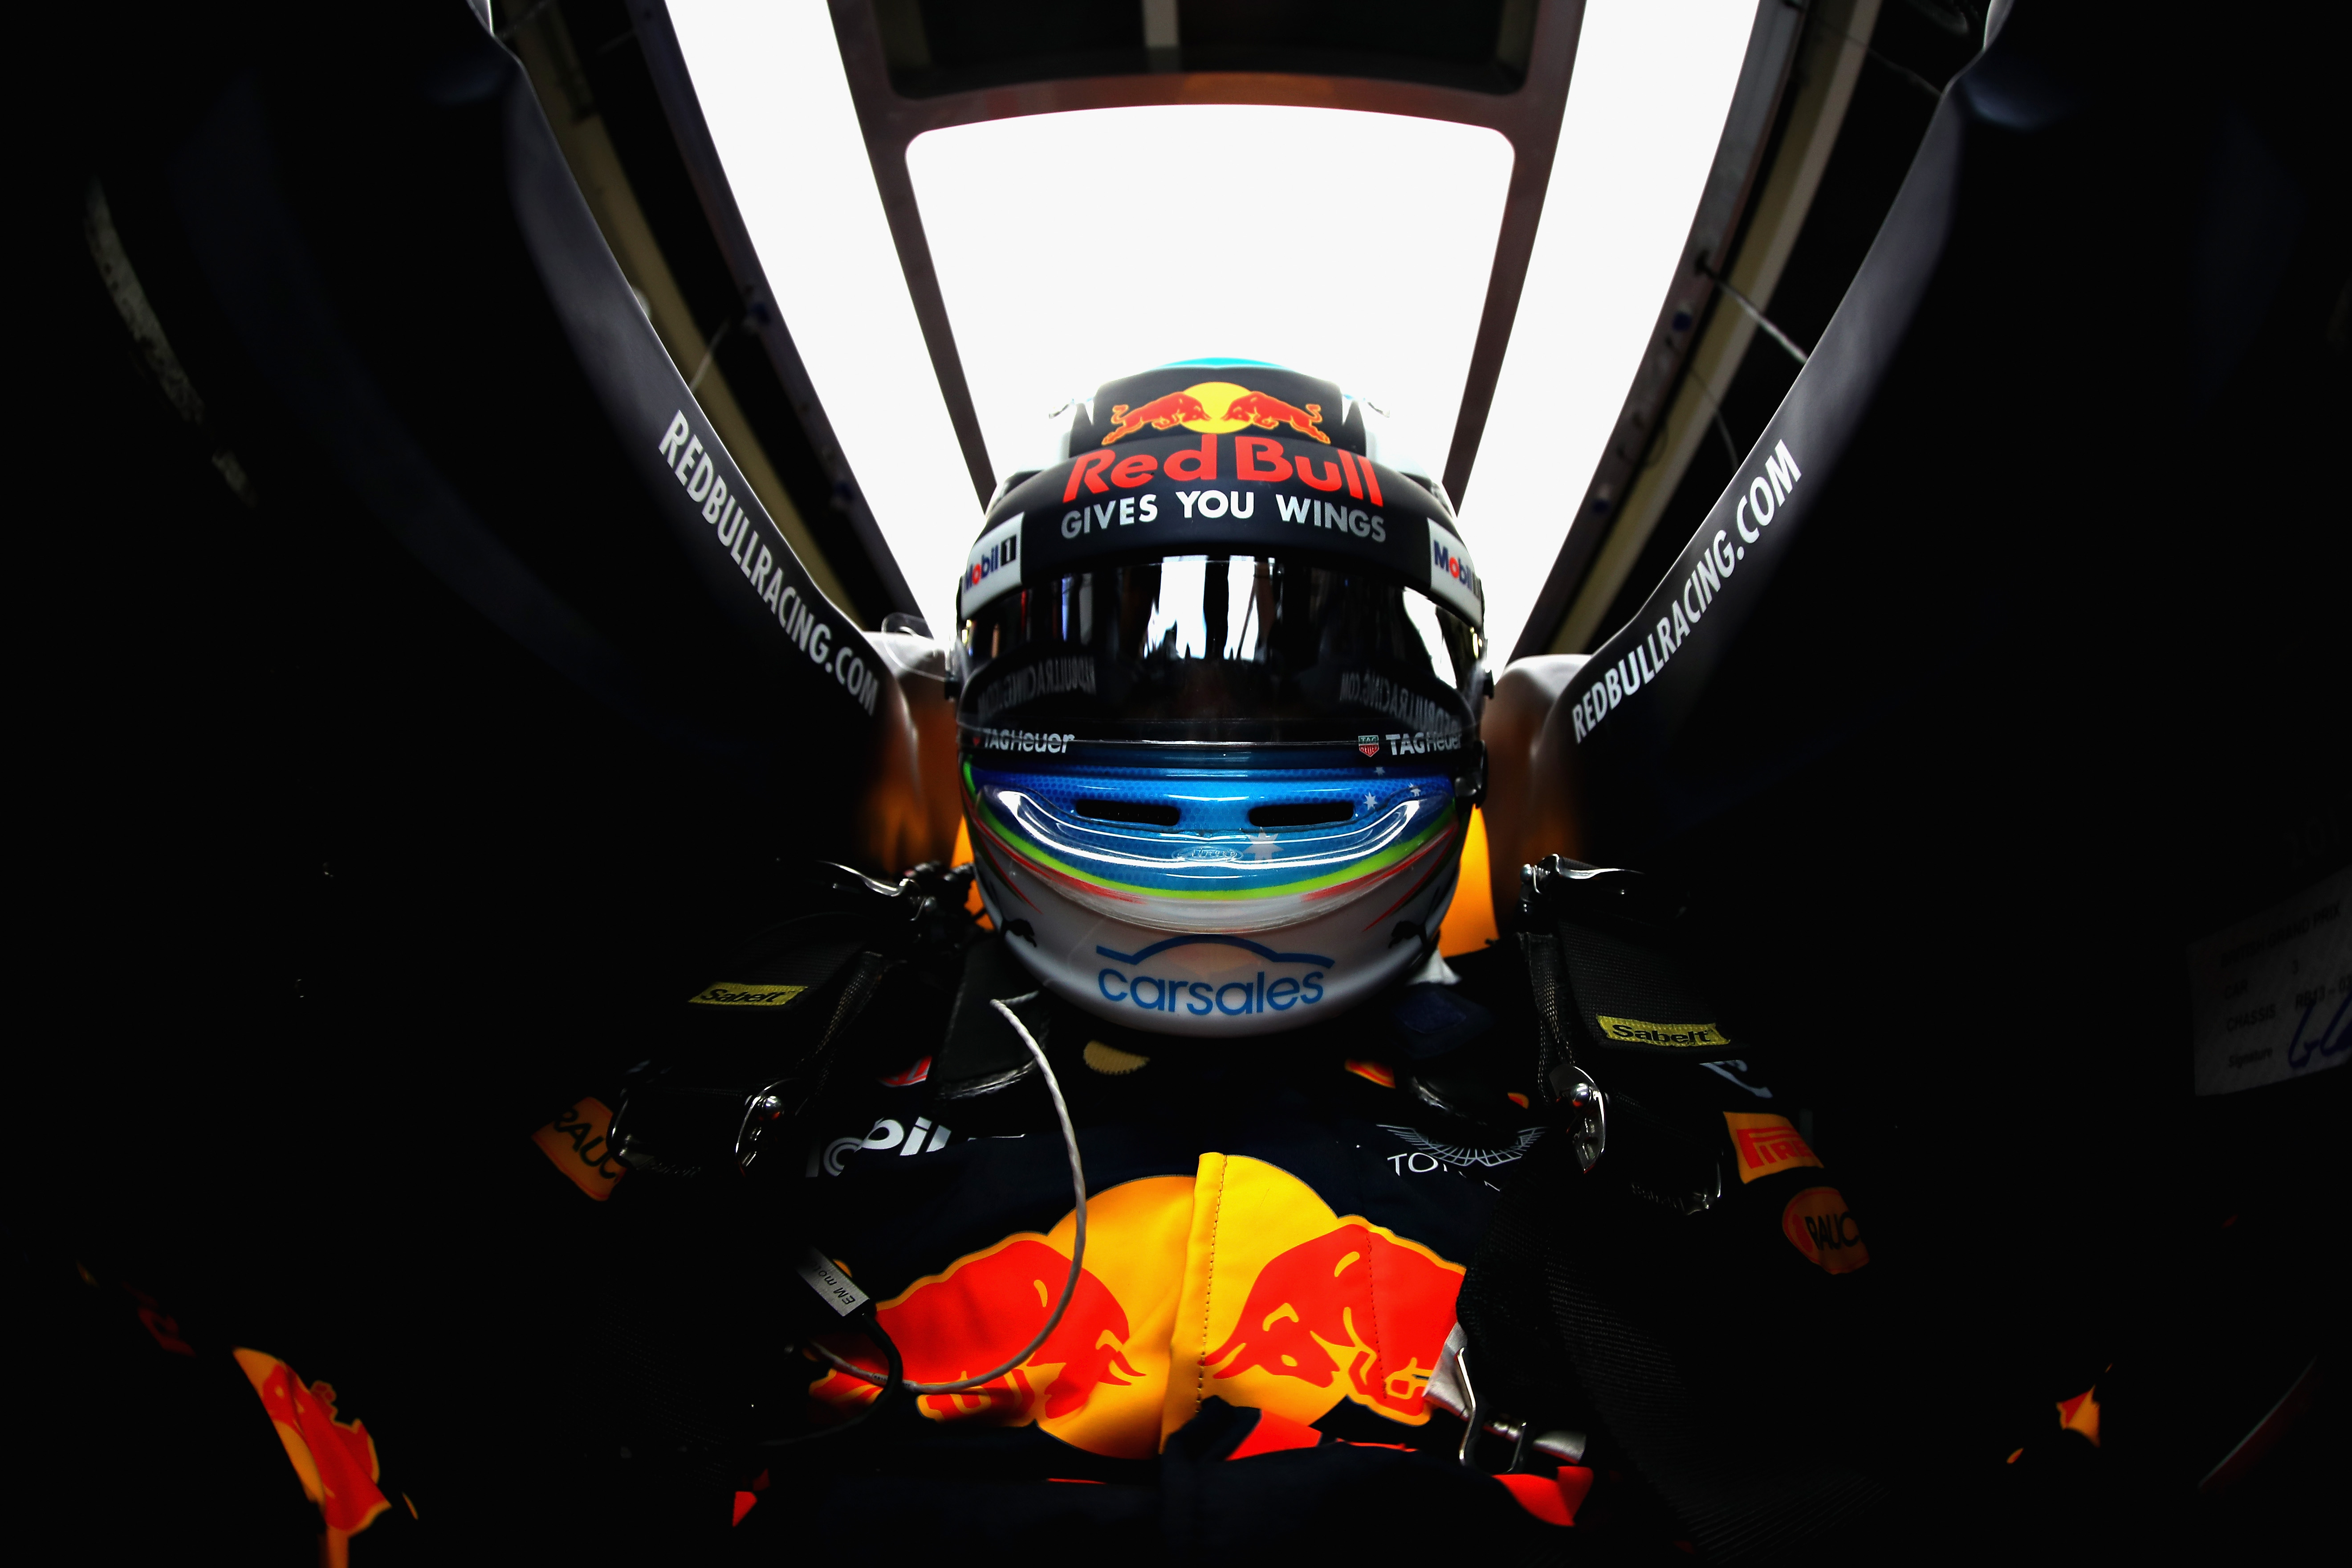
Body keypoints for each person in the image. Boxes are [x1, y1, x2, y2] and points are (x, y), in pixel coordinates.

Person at [566, 361, 1935, 1560]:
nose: (1208, 739)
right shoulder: (800, 1047)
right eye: (1139, 673)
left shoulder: (1600, 1078)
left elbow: (1897, 1435)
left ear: (1449, 710)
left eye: (1282, 677)